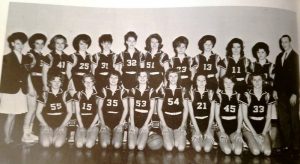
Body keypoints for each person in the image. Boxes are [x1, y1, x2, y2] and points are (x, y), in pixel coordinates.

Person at [0, 32, 29, 144]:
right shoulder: (6, 58)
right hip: (9, 91)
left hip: (21, 91)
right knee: (10, 115)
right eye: (17, 43)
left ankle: (10, 137)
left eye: (22, 44)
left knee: (15, 114)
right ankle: (6, 138)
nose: (20, 46)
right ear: (12, 44)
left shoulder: (26, 58)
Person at [273, 35, 299, 154]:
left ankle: (296, 146)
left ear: (290, 42)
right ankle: (287, 145)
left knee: (294, 120)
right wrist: (275, 90)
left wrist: (295, 93)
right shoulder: (279, 57)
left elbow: (297, 77)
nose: (284, 44)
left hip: (292, 94)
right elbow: (277, 76)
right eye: (282, 42)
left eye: (286, 42)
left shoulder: (295, 57)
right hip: (281, 94)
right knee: (283, 121)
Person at [36, 73, 73, 148]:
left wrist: (62, 126)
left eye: (59, 81)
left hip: (61, 123)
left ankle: (61, 135)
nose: (56, 83)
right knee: (45, 144)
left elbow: (70, 113)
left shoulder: (65, 94)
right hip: (47, 123)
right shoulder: (44, 94)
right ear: (50, 82)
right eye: (54, 81)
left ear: (61, 83)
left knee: (57, 144)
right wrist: (45, 125)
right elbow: (38, 113)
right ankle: (50, 135)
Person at [242, 73, 274, 156]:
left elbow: (269, 117)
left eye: (259, 80)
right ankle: (246, 140)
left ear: (263, 80)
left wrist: (263, 134)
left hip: (262, 126)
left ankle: (263, 138)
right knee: (256, 152)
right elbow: (245, 117)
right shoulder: (247, 95)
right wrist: (255, 135)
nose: (257, 82)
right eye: (254, 80)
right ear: (251, 81)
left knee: (267, 152)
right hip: (249, 127)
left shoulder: (267, 95)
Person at [23, 33, 47, 142]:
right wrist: (30, 87)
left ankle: (30, 133)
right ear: (33, 43)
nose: (40, 45)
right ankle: (24, 134)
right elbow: (27, 72)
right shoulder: (30, 55)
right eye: (37, 43)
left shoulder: (42, 56)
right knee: (31, 109)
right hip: (32, 83)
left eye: (42, 43)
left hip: (40, 83)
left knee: (35, 110)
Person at [157, 68, 189, 151]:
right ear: (167, 77)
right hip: (166, 119)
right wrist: (164, 125)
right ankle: (166, 135)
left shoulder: (183, 90)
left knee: (180, 147)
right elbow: (159, 109)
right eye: (171, 76)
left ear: (178, 77)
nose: (173, 78)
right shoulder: (163, 90)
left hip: (179, 119)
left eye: (175, 76)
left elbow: (185, 109)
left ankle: (177, 136)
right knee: (169, 148)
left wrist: (182, 125)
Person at [98, 70, 128, 149]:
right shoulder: (104, 90)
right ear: (108, 79)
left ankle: (116, 134)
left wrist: (120, 124)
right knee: (104, 145)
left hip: (118, 120)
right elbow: (99, 108)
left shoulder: (122, 91)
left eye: (116, 78)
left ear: (119, 80)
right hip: (106, 120)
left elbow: (126, 109)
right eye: (111, 77)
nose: (114, 80)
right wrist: (103, 124)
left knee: (117, 145)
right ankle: (107, 133)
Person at [215, 75, 244, 155]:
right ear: (223, 84)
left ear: (234, 83)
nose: (228, 85)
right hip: (221, 127)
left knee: (238, 152)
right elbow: (216, 115)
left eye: (231, 83)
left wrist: (238, 131)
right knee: (227, 151)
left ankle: (238, 142)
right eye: (226, 83)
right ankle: (222, 141)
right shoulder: (219, 95)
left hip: (234, 126)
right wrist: (223, 131)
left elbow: (240, 116)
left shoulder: (238, 96)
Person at [187, 74, 216, 152]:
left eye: (203, 80)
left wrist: (208, 130)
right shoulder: (191, 93)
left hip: (208, 123)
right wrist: (197, 131)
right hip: (195, 124)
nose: (201, 82)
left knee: (207, 149)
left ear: (206, 82)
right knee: (198, 148)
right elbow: (191, 115)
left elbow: (212, 114)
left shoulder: (211, 93)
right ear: (195, 82)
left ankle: (209, 136)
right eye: (199, 80)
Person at [128, 70, 156, 150]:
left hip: (146, 119)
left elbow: (151, 109)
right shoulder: (133, 90)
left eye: (144, 76)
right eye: (140, 76)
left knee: (140, 147)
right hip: (134, 118)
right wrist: (132, 124)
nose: (142, 78)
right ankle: (139, 133)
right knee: (131, 146)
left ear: (147, 78)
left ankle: (148, 132)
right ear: (137, 78)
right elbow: (131, 108)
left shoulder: (151, 91)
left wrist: (145, 125)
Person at [74, 73, 100, 148]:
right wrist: (81, 127)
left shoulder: (98, 94)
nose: (88, 84)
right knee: (79, 145)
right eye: (86, 82)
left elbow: (98, 113)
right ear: (83, 82)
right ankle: (84, 135)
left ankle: (93, 136)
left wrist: (91, 126)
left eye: (90, 81)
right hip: (81, 123)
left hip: (93, 123)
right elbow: (77, 112)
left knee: (89, 145)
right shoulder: (79, 94)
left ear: (93, 82)